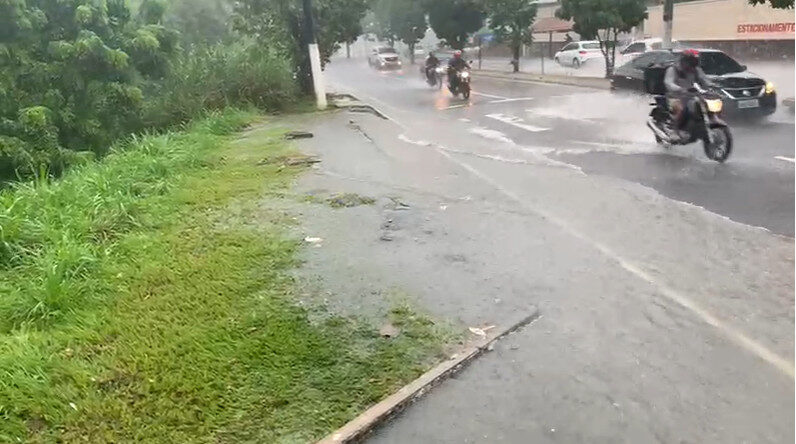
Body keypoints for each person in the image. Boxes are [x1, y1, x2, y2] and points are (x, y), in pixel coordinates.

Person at [664, 49, 712, 141]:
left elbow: (704, 79)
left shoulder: (696, 69)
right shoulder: (673, 69)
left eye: (694, 61)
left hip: (690, 95)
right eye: (690, 61)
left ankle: (697, 126)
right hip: (674, 96)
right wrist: (680, 89)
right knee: (680, 109)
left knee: (704, 105)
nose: (692, 64)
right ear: (684, 60)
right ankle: (674, 131)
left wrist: (711, 86)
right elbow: (669, 83)